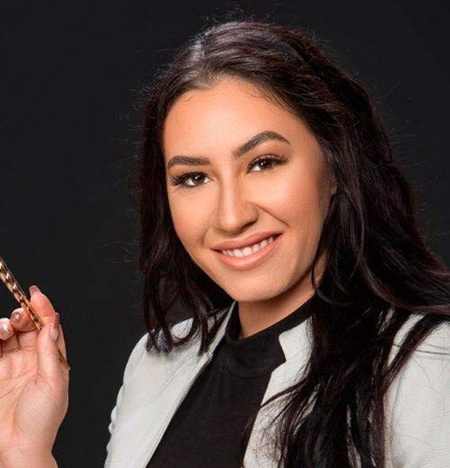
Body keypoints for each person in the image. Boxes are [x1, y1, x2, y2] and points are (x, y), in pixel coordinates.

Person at [0, 18, 449, 468]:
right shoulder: (155, 365)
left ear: (334, 166)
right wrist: (23, 449)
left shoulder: (429, 367)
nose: (232, 217)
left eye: (263, 162)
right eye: (194, 178)